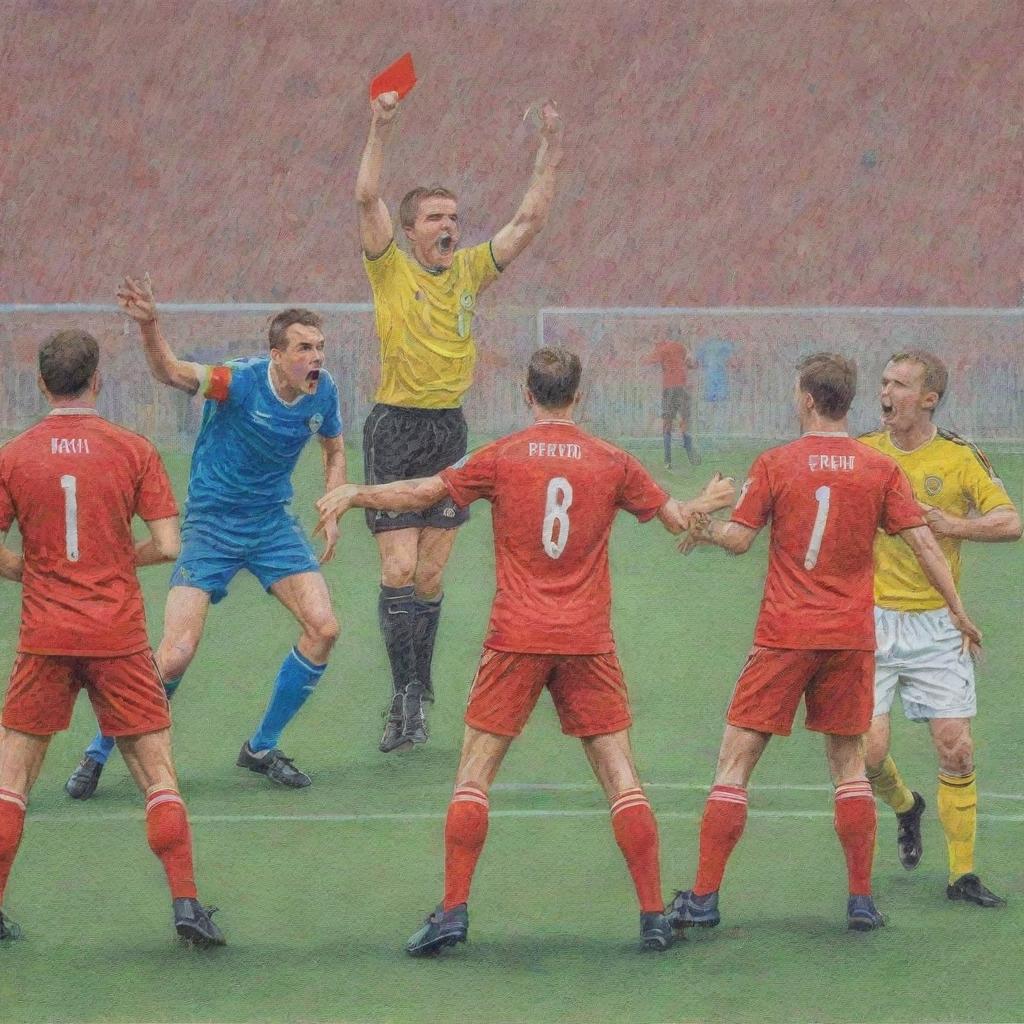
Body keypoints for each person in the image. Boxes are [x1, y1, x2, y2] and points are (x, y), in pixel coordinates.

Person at [315, 347, 737, 954]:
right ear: (579, 395)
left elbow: (423, 494)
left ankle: (454, 912)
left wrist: (356, 493)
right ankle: (651, 915)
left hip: (516, 637)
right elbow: (678, 524)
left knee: (473, 777)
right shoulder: (611, 461)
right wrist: (707, 502)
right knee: (621, 776)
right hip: (586, 641)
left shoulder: (502, 456)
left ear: (527, 394)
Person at [667, 353, 982, 933]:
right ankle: (861, 901)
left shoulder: (776, 463)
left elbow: (738, 540)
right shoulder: (879, 468)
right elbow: (924, 546)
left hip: (786, 635)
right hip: (850, 638)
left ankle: (705, 897)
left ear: (807, 399)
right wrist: (959, 611)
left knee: (736, 761)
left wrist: (702, 529)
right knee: (848, 767)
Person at [64, 276, 346, 798]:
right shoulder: (236, 382)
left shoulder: (322, 391)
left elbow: (333, 448)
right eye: (305, 347)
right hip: (211, 525)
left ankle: (260, 747)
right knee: (176, 652)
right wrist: (150, 323)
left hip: (270, 526)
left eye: (320, 347)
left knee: (324, 628)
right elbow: (171, 372)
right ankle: (98, 750)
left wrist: (333, 499)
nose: (316, 357)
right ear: (276, 354)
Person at [355, 88, 563, 752]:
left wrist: (549, 150)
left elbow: (529, 218)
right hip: (394, 429)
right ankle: (404, 695)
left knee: (431, 575)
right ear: (411, 228)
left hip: (448, 432)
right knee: (396, 569)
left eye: (454, 216)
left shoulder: (471, 270)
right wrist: (380, 126)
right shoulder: (388, 269)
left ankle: (416, 696)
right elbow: (366, 197)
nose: (449, 225)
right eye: (435, 217)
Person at [0, 329, 224, 946]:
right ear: (99, 380)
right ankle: (186, 906)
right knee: (157, 775)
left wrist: (30, 569)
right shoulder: (132, 449)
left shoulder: (15, 455)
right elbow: (172, 543)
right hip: (117, 636)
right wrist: (123, 560)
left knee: (12, 781)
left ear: (42, 385)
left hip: (45, 634)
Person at [860, 350, 1021, 907]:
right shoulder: (863, 452)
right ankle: (907, 807)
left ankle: (962, 874)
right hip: (871, 622)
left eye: (900, 385)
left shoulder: (957, 458)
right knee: (869, 755)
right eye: (884, 382)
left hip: (937, 624)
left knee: (956, 749)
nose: (886, 393)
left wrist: (953, 523)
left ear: (928, 398)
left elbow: (1011, 521)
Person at [641, 333, 700, 468]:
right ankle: (690, 455)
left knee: (667, 423)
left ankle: (668, 460)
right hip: (682, 388)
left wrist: (642, 357)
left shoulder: (663, 348)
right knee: (684, 421)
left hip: (670, 389)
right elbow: (692, 364)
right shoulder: (681, 347)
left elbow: (648, 361)